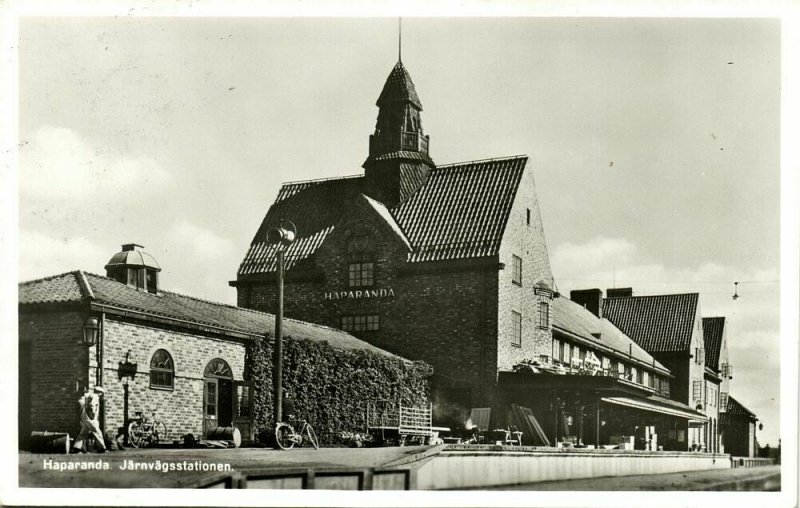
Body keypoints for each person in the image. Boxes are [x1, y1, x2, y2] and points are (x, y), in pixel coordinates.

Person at [72, 387, 106, 453]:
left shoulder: (89, 396)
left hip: (85, 418)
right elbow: (92, 407)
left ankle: (76, 447)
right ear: (99, 393)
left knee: (83, 433)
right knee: (97, 432)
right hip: (91, 418)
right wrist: (93, 418)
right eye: (101, 393)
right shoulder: (95, 397)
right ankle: (102, 448)